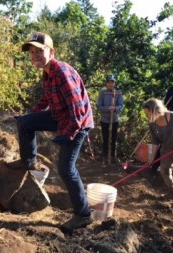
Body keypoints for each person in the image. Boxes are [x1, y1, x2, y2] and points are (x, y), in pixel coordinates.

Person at [7, 32, 94, 234]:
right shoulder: (47, 74)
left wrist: (68, 134)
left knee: (66, 168)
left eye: (40, 51)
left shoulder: (62, 72)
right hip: (61, 116)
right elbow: (46, 101)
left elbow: (78, 108)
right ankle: (28, 160)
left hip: (77, 123)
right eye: (32, 52)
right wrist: (29, 116)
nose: (35, 55)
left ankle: (83, 215)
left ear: (52, 52)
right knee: (25, 124)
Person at [97, 75, 124, 163]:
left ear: (114, 83)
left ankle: (113, 156)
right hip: (104, 119)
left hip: (114, 119)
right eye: (109, 82)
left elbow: (121, 105)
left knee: (114, 138)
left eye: (112, 82)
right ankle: (105, 156)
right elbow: (99, 106)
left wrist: (115, 108)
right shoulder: (103, 93)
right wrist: (107, 109)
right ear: (106, 84)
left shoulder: (118, 93)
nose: (111, 84)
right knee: (105, 138)